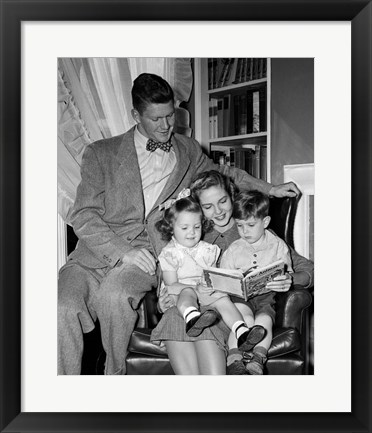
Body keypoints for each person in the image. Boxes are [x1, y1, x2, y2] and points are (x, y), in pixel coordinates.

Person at [58, 72, 300, 375]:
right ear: (136, 115)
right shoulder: (101, 152)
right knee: (60, 307)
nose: (166, 126)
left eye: (170, 116)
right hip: (94, 253)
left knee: (114, 295)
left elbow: (224, 177)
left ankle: (114, 378)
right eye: (156, 119)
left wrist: (270, 188)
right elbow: (82, 214)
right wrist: (121, 251)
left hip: (148, 255)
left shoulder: (186, 150)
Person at [157, 170, 313, 375]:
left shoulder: (257, 232)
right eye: (208, 207)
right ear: (199, 209)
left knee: (207, 321)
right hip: (189, 307)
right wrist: (162, 300)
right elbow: (168, 278)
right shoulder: (192, 233)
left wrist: (288, 280)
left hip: (229, 313)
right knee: (173, 317)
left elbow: (308, 269)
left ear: (232, 195)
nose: (218, 211)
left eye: (223, 201)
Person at [151, 189, 267, 355]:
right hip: (180, 292)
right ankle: (192, 318)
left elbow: (211, 275)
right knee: (188, 291)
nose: (192, 232)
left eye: (197, 227)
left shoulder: (207, 250)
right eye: (184, 228)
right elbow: (171, 285)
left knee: (222, 298)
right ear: (171, 228)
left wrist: (214, 286)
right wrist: (196, 287)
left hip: (203, 292)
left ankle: (241, 331)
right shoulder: (170, 253)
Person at [220, 190, 293, 375]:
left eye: (251, 225)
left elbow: (288, 272)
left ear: (265, 222)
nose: (245, 231)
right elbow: (224, 278)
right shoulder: (234, 249)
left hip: (266, 297)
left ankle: (257, 359)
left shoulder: (277, 245)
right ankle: (234, 359)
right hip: (241, 297)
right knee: (245, 320)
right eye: (240, 225)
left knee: (263, 322)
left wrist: (284, 279)